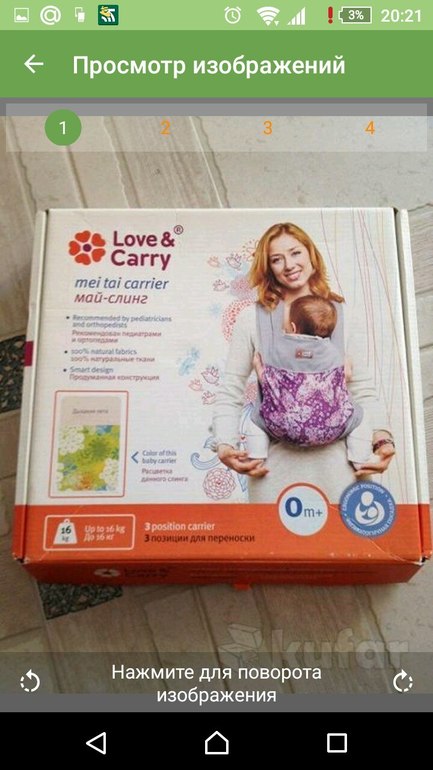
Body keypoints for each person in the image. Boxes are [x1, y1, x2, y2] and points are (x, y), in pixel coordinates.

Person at [212, 222, 395, 504]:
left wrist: (382, 440)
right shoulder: (253, 319)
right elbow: (230, 390)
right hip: (273, 473)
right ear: (268, 267)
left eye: (295, 253)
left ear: (311, 254)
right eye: (277, 259)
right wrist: (225, 445)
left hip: (342, 472)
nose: (289, 265)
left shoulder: (342, 315)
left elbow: (362, 390)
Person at [246, 295, 379, 470]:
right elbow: (345, 376)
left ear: (293, 327)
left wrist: (258, 366)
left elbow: (268, 382)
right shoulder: (335, 353)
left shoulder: (278, 350)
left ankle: (256, 457)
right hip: (331, 428)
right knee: (361, 418)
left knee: (255, 419)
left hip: (280, 426)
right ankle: (360, 459)